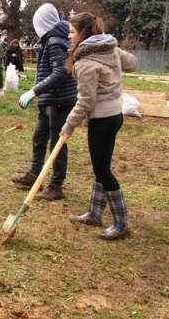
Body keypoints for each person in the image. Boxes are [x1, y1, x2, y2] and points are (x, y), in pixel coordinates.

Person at [61, 12, 138, 240]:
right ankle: (95, 213)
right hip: (115, 115)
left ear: (83, 33)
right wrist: (114, 51)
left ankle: (122, 224)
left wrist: (68, 126)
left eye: (72, 32)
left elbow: (86, 101)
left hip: (103, 120)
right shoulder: (107, 48)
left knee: (103, 170)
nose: (69, 35)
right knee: (101, 165)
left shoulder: (86, 63)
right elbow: (132, 63)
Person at [11, 3, 78, 200]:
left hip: (60, 100)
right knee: (39, 138)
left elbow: (61, 72)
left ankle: (56, 186)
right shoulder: (51, 40)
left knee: (57, 143)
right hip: (49, 100)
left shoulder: (56, 41)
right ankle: (34, 174)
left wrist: (34, 91)